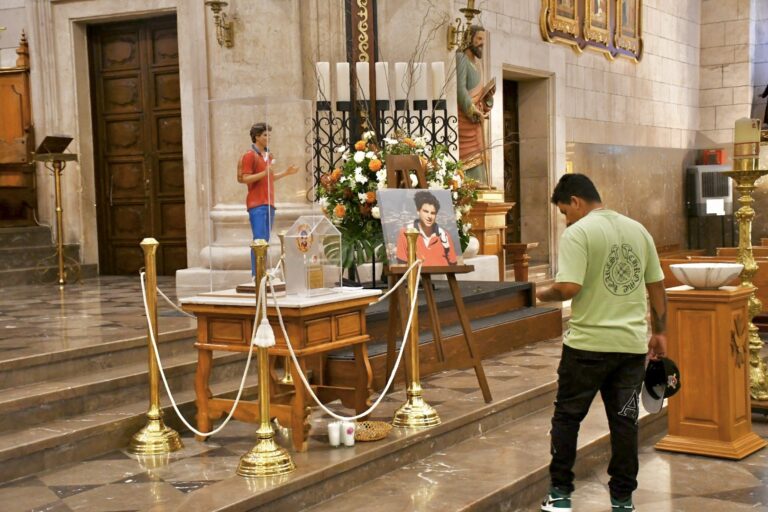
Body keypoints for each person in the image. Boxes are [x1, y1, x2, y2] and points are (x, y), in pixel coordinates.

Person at [536, 174, 667, 512]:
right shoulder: (638, 230)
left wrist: (539, 294)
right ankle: (623, 500)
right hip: (630, 349)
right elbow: (656, 286)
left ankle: (560, 495)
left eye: (564, 211)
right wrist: (660, 332)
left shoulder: (578, 233)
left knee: (567, 418)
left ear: (576, 201)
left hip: (587, 347)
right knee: (625, 422)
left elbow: (568, 287)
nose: (566, 219)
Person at [237, 122, 299, 275]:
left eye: (269, 135)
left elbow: (269, 177)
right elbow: (244, 178)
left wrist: (286, 173)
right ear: (257, 137)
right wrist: (264, 173)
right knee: (259, 240)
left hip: (269, 202)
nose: (268, 137)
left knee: (265, 240)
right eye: (265, 135)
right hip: (257, 203)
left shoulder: (268, 156)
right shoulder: (250, 155)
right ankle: (256, 275)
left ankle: (262, 272)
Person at [456, 25, 494, 183]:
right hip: (465, 120)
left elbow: (479, 96)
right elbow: (460, 89)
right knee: (471, 163)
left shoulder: (477, 65)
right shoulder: (461, 58)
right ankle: (471, 190)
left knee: (481, 158)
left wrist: (488, 97)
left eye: (483, 40)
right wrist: (471, 110)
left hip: (477, 121)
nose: (482, 43)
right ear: (469, 38)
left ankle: (480, 188)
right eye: (479, 38)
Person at [395, 191, 458, 266]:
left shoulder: (445, 236)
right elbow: (402, 265)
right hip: (418, 274)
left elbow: (453, 265)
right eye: (426, 211)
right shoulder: (406, 233)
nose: (429, 216)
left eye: (433, 213)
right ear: (418, 211)